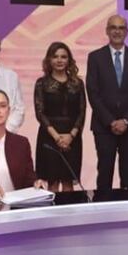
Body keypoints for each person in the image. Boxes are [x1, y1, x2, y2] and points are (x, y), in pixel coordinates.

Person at [86, 15, 128, 191]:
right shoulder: (95, 57)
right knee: (104, 172)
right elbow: (93, 93)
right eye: (113, 27)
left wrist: (126, 121)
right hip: (104, 127)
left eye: (121, 28)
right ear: (107, 31)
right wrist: (111, 121)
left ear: (127, 32)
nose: (117, 31)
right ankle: (104, 213)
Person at [33, 42, 86, 192]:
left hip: (72, 138)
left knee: (68, 182)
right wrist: (57, 137)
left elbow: (82, 112)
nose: (59, 60)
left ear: (69, 60)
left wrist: (71, 135)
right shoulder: (41, 83)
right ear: (49, 60)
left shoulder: (78, 83)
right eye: (55, 56)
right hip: (49, 138)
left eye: (63, 56)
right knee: (53, 184)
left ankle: (70, 215)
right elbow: (40, 113)